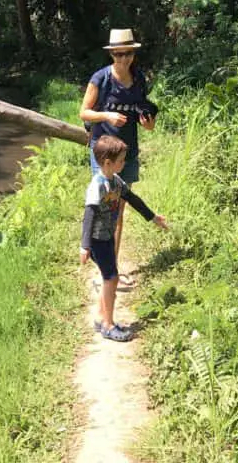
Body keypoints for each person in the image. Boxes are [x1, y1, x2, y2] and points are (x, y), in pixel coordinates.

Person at [79, 28, 157, 283]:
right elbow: (84, 112)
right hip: (104, 155)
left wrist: (147, 123)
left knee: (118, 212)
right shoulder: (100, 79)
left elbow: (143, 114)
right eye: (119, 54)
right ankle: (101, 270)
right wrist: (106, 116)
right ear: (112, 54)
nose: (124, 59)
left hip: (128, 153)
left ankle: (111, 268)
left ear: (133, 53)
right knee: (102, 211)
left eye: (128, 54)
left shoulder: (139, 78)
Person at [80, 135, 168, 342]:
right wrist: (85, 246)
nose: (124, 163)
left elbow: (133, 200)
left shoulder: (116, 181)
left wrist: (153, 217)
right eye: (121, 160)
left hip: (108, 237)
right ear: (108, 163)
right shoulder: (97, 185)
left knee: (108, 277)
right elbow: (89, 216)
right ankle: (108, 325)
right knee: (112, 278)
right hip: (97, 240)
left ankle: (102, 317)